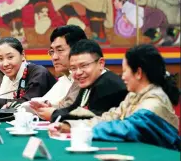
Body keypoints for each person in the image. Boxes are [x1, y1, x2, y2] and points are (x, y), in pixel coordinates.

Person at [48, 44, 181, 151]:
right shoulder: (134, 96)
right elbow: (110, 117)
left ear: (138, 73)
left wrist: (78, 129)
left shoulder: (153, 103)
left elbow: (123, 129)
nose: (122, 77)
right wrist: (70, 125)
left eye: (125, 71)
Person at [50, 39, 128, 122]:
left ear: (101, 63)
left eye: (84, 66)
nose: (78, 72)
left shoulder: (108, 84)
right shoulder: (89, 81)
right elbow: (73, 108)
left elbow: (93, 119)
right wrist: (51, 111)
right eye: (73, 68)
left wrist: (53, 114)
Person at [24, 25, 88, 120]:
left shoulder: (87, 77)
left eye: (60, 50)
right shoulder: (64, 79)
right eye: (52, 52)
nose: (54, 57)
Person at [0, 37, 56, 108]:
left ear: (23, 55)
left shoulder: (39, 73)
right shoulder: (8, 77)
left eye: (10, 57)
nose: (5, 64)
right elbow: (1, 94)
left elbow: (27, 103)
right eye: (0, 59)